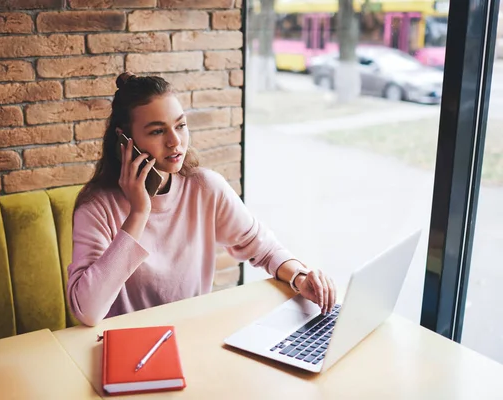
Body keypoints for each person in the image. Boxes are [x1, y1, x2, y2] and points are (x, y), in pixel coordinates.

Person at [67, 72, 337, 327]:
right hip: (129, 350)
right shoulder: (97, 207)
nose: (175, 142)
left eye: (181, 126)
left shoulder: (204, 187)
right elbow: (87, 312)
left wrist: (300, 277)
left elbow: (263, 248)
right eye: (157, 131)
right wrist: (138, 213)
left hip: (193, 335)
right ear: (125, 140)